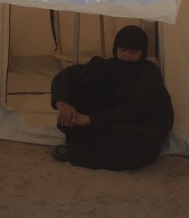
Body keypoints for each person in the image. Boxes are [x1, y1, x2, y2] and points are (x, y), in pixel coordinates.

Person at [50, 25, 174, 170]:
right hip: (104, 122)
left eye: (133, 52)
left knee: (135, 147)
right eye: (123, 51)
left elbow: (134, 110)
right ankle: (89, 142)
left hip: (133, 125)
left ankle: (76, 151)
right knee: (79, 89)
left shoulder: (149, 74)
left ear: (143, 52)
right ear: (116, 49)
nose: (127, 57)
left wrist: (88, 119)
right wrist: (63, 105)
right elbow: (65, 77)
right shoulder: (108, 66)